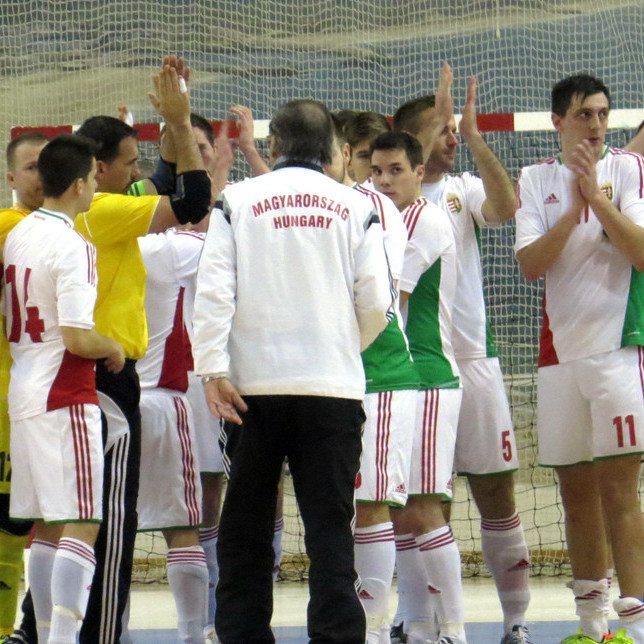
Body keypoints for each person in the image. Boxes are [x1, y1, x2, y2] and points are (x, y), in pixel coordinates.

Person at [192, 98, 393, 643]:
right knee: (331, 529)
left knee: (246, 529)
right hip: (332, 389)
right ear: (333, 149)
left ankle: (242, 635)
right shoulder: (356, 206)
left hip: (249, 390)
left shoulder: (235, 200)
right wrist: (341, 346)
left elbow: (213, 292)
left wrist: (212, 368)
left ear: (274, 147)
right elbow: (377, 299)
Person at [392, 74, 531, 644]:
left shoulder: (462, 189)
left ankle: (516, 622)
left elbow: (505, 206)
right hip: (417, 369)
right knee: (422, 504)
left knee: (498, 495)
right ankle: (418, 621)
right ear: (409, 139)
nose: (451, 138)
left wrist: (473, 139)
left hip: (474, 363)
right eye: (442, 129)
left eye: (454, 130)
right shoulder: (387, 196)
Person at [515, 74, 643, 644]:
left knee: (620, 491)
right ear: (558, 121)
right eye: (584, 115)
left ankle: (636, 628)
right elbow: (530, 264)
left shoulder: (630, 171)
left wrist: (597, 200)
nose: (595, 125)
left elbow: (641, 253)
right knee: (574, 493)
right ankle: (592, 627)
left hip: (616, 353)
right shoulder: (535, 178)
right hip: (557, 359)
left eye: (602, 114)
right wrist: (572, 210)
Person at [4, 134, 126, 643]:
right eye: (95, 178)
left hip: (25, 390)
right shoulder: (74, 243)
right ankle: (62, 639)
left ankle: (48, 634)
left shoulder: (20, 233)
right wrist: (113, 345)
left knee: (49, 525)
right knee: (82, 519)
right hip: (63, 392)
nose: (97, 185)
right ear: (79, 184)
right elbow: (78, 335)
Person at [370, 130, 466, 644]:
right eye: (377, 171)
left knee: (425, 508)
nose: (385, 181)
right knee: (400, 511)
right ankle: (422, 628)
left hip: (428, 376)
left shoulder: (424, 218)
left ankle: (454, 630)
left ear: (420, 173)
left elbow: (391, 299)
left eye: (396, 171)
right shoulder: (385, 219)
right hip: (401, 381)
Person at [136, 227, 208, 643]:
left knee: (102, 531)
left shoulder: (86, 242)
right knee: (182, 526)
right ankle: (192, 636)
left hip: (105, 403)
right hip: (162, 400)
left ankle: (109, 631)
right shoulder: (169, 248)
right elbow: (227, 242)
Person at [0, 132, 48, 641]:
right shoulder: (5, 228)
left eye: (47, 166)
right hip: (7, 400)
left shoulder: (71, 228)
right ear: (11, 178)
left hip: (48, 400)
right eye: (31, 167)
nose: (41, 175)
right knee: (8, 530)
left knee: (35, 527)